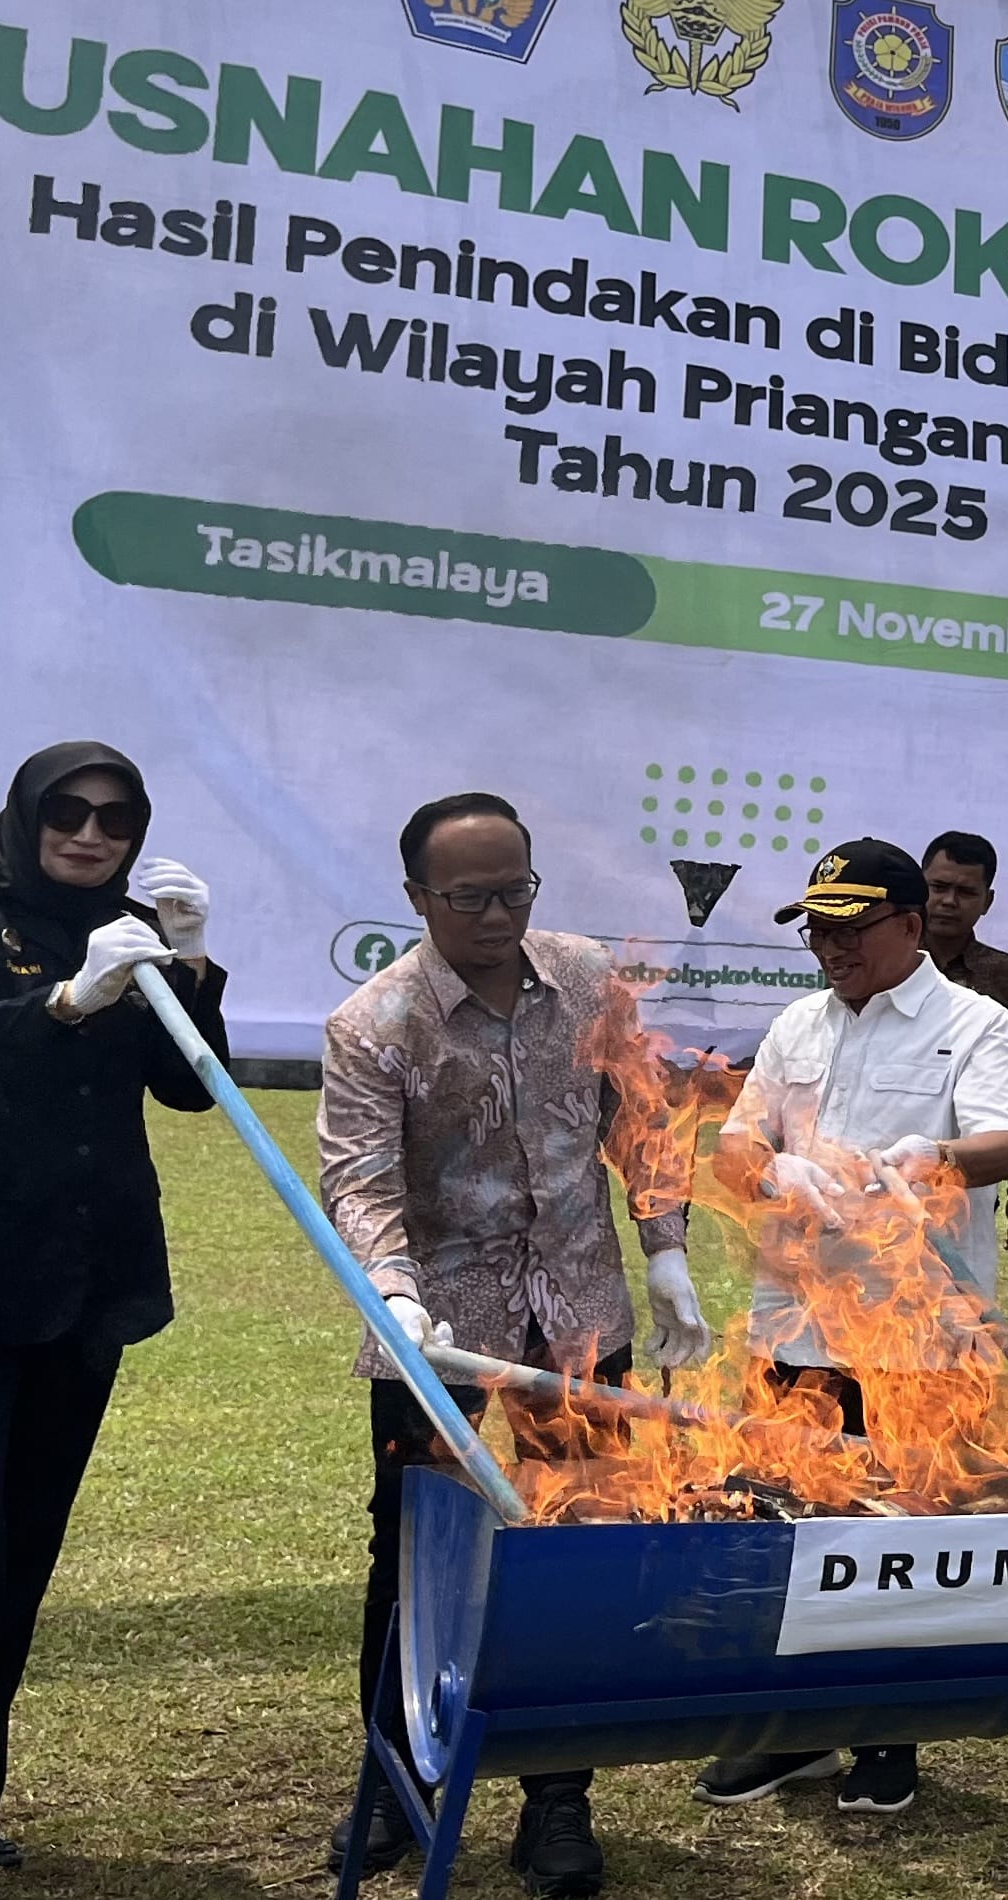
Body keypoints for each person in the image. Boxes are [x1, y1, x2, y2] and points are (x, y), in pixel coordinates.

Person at [316, 793, 714, 1887]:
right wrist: (392, 1296)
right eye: (470, 897)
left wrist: (666, 1248)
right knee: (414, 1549)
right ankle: (398, 1776)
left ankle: (556, 1799)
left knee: (573, 1546)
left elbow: (640, 1117)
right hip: (438, 1329)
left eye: (515, 890)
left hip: (579, 1310)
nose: (497, 916)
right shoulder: (376, 1024)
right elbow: (359, 1181)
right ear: (417, 899)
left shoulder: (585, 979)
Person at [0, 743, 226, 1899]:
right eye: (67, 811)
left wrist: (193, 966)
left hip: (84, 1283)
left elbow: (188, 1086)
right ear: (26, 816)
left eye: (116, 816)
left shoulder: (134, 925)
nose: (91, 832)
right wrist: (68, 998)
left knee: (17, 1550)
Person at [693, 840, 1008, 1813]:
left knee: (902, 1536)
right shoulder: (799, 1024)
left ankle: (889, 1737)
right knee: (788, 1528)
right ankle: (793, 1734)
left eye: (850, 926)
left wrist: (931, 1158)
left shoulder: (970, 1024)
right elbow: (733, 1142)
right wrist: (770, 1172)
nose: (829, 945)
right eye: (816, 927)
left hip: (916, 1335)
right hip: (794, 1324)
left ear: (910, 927)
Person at [919, 830, 1008, 1252]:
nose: (949, 901)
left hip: (973, 1171)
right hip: (885, 1164)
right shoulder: (883, 962)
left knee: (956, 1296)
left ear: (987, 901)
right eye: (938, 887)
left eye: (965, 891)